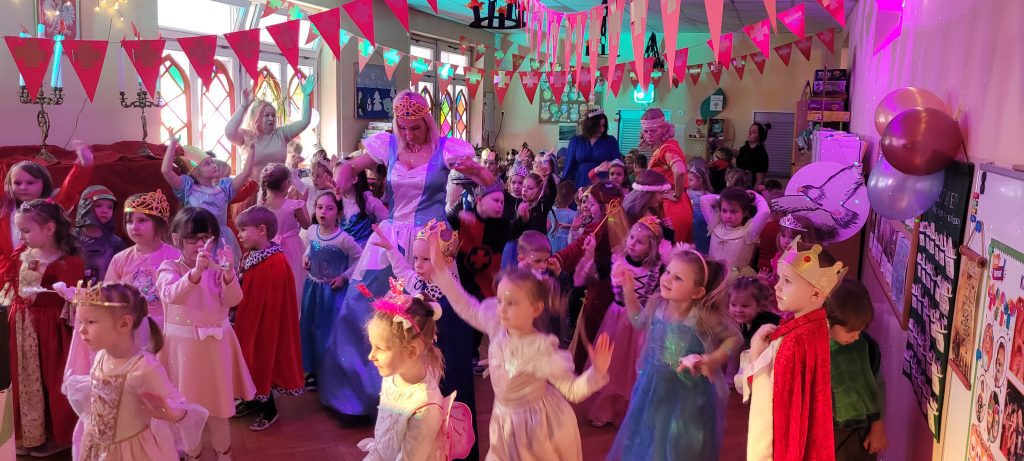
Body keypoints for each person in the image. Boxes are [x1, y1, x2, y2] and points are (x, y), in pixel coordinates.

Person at [322, 90, 492, 417]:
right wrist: (343, 173)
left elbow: (485, 179)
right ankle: (362, 393)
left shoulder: (446, 149)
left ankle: (425, 387)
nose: (409, 134)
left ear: (428, 122)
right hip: (393, 234)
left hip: (430, 240)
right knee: (364, 306)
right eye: (403, 127)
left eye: (416, 127)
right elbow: (353, 165)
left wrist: (478, 172)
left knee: (430, 312)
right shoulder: (387, 145)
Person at [427, 238, 613, 460]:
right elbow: (466, 306)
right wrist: (441, 271)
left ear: (535, 309)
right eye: (499, 301)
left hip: (534, 429)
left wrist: (596, 372)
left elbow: (572, 389)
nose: (502, 309)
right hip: (503, 419)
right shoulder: (497, 322)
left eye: (511, 303)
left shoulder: (541, 349)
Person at [607, 245, 741, 460]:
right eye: (668, 271)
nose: (667, 279)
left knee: (677, 440)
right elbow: (637, 321)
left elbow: (735, 338)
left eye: (678, 278)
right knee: (649, 432)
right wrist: (628, 290)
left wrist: (713, 359)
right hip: (652, 384)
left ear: (697, 292)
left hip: (686, 393)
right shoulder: (656, 305)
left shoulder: (702, 317)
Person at [371, 220, 480, 460]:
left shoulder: (451, 293)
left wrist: (419, 306)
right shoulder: (422, 282)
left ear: (445, 262)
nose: (418, 265)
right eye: (416, 258)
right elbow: (405, 272)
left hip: (447, 363)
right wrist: (391, 249)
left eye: (426, 259)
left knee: (446, 406)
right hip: (426, 365)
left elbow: (439, 314)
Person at [63, 283, 208, 460]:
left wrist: (171, 413)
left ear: (124, 323)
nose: (81, 329)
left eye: (91, 322)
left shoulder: (144, 368)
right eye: (80, 322)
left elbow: (177, 404)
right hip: (98, 448)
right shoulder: (101, 356)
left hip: (132, 452)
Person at [157, 207, 256, 460]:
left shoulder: (217, 269)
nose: (201, 244)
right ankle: (194, 453)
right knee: (186, 408)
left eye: (207, 237)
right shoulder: (169, 267)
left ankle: (224, 453)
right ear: (177, 239)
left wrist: (229, 275)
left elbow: (234, 300)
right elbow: (171, 295)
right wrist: (196, 273)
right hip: (183, 352)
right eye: (193, 238)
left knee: (219, 406)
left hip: (216, 347)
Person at [738, 238, 845, 460]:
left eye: (787, 281)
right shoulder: (816, 327)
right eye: (779, 278)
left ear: (816, 295)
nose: (777, 286)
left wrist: (756, 354)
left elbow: (769, 404)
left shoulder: (794, 342)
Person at [3, 199, 85, 457]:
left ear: (49, 229)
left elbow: (73, 299)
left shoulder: (67, 261)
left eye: (26, 230)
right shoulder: (21, 254)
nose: (21, 237)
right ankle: (29, 432)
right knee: (24, 378)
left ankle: (57, 434)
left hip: (51, 329)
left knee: (52, 378)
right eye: (20, 231)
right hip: (21, 325)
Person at [357, 282, 473, 461]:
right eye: (372, 346)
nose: (371, 356)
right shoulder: (396, 372)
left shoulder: (425, 409)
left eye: (380, 348)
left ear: (411, 352)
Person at [587, 216, 666, 428]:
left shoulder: (657, 269)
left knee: (632, 367)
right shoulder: (617, 260)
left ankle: (628, 412)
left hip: (641, 322)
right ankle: (604, 410)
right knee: (611, 364)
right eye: (631, 238)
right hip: (615, 319)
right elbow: (596, 273)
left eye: (640, 242)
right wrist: (590, 252)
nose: (632, 243)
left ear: (651, 248)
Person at [232, 206, 306, 431]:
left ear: (261, 230)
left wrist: (265, 328)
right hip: (247, 320)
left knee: (261, 361)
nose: (239, 235)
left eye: (243, 230)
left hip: (265, 326)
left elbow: (276, 303)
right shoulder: (251, 256)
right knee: (247, 360)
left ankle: (269, 409)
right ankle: (252, 399)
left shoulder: (276, 262)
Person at [300, 191, 362, 392]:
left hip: (332, 293)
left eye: (329, 208)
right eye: (319, 207)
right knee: (309, 327)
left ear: (339, 213)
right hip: (312, 289)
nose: (323, 212)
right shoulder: (312, 231)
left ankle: (328, 371)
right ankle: (312, 370)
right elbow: (311, 247)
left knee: (327, 330)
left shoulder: (344, 239)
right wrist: (306, 257)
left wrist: (344, 276)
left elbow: (360, 258)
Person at [162, 136, 256, 265]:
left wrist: (252, 149)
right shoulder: (189, 189)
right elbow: (166, 171)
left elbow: (245, 173)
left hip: (221, 239)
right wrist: (173, 144)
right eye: (207, 164)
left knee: (222, 272)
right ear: (195, 172)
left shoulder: (224, 189)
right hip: (198, 240)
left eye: (213, 162)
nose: (213, 166)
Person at [0, 140, 93, 267]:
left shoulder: (51, 206)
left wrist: (83, 165)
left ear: (44, 183)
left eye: (30, 183)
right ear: (9, 185)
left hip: (42, 270)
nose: (23, 187)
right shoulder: (5, 207)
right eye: (17, 183)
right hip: (7, 272)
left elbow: (70, 189)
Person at [825, 280, 888, 461]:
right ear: (828, 320)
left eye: (860, 330)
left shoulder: (866, 347)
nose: (856, 336)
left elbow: (878, 388)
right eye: (850, 331)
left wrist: (877, 428)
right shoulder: (813, 348)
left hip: (862, 435)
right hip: (827, 435)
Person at [225, 77, 316, 176]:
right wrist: (243, 106)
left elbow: (305, 122)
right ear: (256, 118)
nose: (271, 118)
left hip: (279, 184)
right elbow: (229, 132)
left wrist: (306, 96)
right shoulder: (247, 135)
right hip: (252, 185)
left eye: (273, 115)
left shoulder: (281, 133)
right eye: (267, 115)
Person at [259, 163, 311, 310]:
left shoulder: (262, 205)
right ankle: (294, 311)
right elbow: (307, 225)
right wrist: (303, 204)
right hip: (293, 247)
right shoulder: (294, 205)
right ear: (286, 184)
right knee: (295, 279)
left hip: (268, 248)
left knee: (272, 282)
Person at [642, 108, 693, 243]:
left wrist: (676, 194)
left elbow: (680, 171)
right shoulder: (662, 147)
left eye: (653, 131)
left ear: (664, 129)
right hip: (670, 204)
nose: (649, 135)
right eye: (646, 131)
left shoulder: (666, 148)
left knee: (671, 250)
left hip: (671, 206)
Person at [700, 186, 772, 277]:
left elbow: (765, 212)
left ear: (745, 212)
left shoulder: (749, 232)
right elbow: (704, 200)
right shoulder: (715, 225)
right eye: (724, 211)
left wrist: (754, 196)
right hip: (714, 274)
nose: (728, 216)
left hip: (737, 278)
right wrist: (726, 197)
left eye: (733, 212)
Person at [73, 185, 125, 283]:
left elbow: (120, 277)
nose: (105, 211)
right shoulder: (70, 237)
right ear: (86, 207)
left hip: (104, 291)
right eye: (98, 205)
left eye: (110, 207)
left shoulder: (116, 243)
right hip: (70, 290)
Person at [562, 107, 621, 188]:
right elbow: (569, 165)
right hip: (580, 182)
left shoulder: (611, 141)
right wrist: (564, 185)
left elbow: (617, 164)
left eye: (604, 126)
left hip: (602, 184)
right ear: (590, 125)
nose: (602, 129)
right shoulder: (576, 141)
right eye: (598, 126)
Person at [686, 161, 714, 254]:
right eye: (687, 180)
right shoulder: (687, 192)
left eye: (690, 180)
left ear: (700, 181)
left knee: (701, 240)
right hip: (691, 219)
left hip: (702, 222)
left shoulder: (706, 194)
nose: (688, 182)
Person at [547, 180, 578, 253]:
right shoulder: (574, 214)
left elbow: (546, 228)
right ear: (572, 198)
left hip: (551, 242)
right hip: (565, 245)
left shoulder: (551, 212)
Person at [737, 122, 771, 187]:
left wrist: (752, 191)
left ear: (760, 135)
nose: (749, 133)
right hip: (739, 185)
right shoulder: (744, 148)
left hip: (750, 187)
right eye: (749, 131)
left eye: (754, 132)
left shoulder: (761, 154)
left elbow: (759, 180)